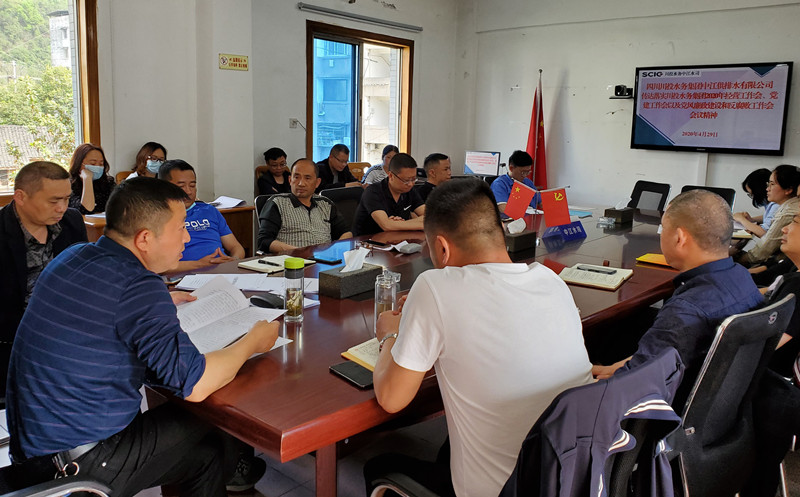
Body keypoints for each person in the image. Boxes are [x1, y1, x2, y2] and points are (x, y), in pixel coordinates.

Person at [5, 177, 278, 497]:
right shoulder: (137, 286)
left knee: (207, 457)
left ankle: (228, 469)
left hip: (33, 450)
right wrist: (252, 341)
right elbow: (196, 385)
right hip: (78, 461)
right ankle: (237, 467)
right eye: (181, 228)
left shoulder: (75, 255)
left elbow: (103, 309)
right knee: (216, 420)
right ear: (145, 238)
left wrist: (160, 302)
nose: (187, 237)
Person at [365, 178, 593, 497]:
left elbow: (391, 399)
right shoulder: (550, 280)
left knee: (378, 466)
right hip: (573, 477)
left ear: (441, 248)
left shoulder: (434, 286)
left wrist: (388, 334)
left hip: (504, 490)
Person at [592, 190, 763, 409]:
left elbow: (631, 387)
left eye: (663, 228)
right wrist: (621, 367)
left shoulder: (686, 310)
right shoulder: (742, 277)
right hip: (720, 406)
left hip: (664, 410)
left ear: (679, 238)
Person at [0, 161, 88, 405]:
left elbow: (84, 276)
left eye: (66, 199)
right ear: (20, 197)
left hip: (67, 335)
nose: (62, 208)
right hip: (12, 342)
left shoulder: (72, 221)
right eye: (53, 201)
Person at [158, 159, 245, 271]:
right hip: (186, 274)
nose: (188, 192)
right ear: (164, 188)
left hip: (223, 270)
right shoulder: (158, 217)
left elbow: (235, 247)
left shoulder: (209, 210)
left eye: (192, 185)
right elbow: (160, 267)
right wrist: (200, 264)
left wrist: (234, 260)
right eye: (181, 187)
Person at [257, 158, 352, 253]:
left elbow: (346, 232)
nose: (301, 183)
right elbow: (264, 241)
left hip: (325, 259)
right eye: (296, 177)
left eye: (307, 178)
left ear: (317, 183)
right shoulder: (277, 203)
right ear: (290, 180)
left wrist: (334, 250)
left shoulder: (326, 204)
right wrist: (299, 252)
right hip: (292, 259)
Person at [734, 164, 800, 267]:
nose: (767, 189)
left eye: (772, 184)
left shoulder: (787, 213)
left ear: (788, 190)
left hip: (778, 263)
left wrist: (736, 262)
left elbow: (763, 250)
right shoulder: (787, 206)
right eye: (768, 184)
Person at [351, 153, 425, 236]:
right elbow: (386, 225)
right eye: (406, 180)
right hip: (366, 241)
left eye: (413, 179)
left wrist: (398, 224)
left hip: (396, 238)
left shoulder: (409, 191)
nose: (411, 184)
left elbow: (430, 216)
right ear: (391, 175)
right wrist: (420, 224)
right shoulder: (373, 191)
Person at [67, 143, 117, 214]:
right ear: (79, 164)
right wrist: (87, 179)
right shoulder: (69, 185)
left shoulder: (108, 183)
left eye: (101, 164)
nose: (98, 167)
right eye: (93, 164)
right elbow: (86, 210)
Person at [733, 168, 777, 237]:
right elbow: (769, 217)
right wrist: (752, 220)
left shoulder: (776, 205)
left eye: (752, 194)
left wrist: (742, 220)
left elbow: (764, 233)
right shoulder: (772, 204)